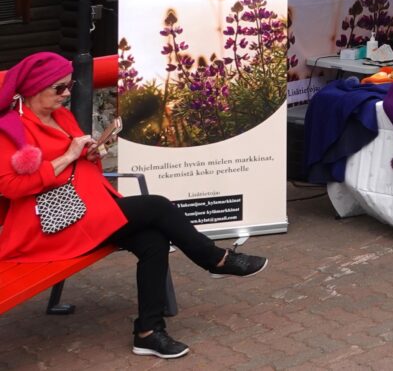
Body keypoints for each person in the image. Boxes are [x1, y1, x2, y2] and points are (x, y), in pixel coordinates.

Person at [0, 53, 268, 359]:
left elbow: (75, 163)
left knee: (153, 241)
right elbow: (10, 186)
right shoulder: (11, 129)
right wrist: (69, 156)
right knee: (157, 206)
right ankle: (215, 259)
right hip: (51, 226)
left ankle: (148, 333)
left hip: (90, 209)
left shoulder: (61, 116)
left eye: (69, 86)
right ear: (34, 88)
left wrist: (90, 153)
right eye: (59, 88)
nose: (66, 94)